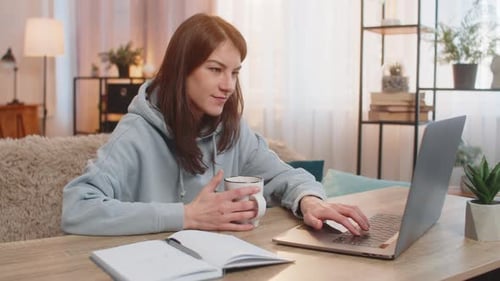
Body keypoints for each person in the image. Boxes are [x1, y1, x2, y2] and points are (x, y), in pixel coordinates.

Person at [61, 13, 369, 236]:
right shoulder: (136, 133)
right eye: (215, 69)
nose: (228, 85)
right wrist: (186, 216)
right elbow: (77, 208)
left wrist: (310, 201)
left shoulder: (232, 129)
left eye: (234, 73)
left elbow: (282, 176)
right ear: (182, 71)